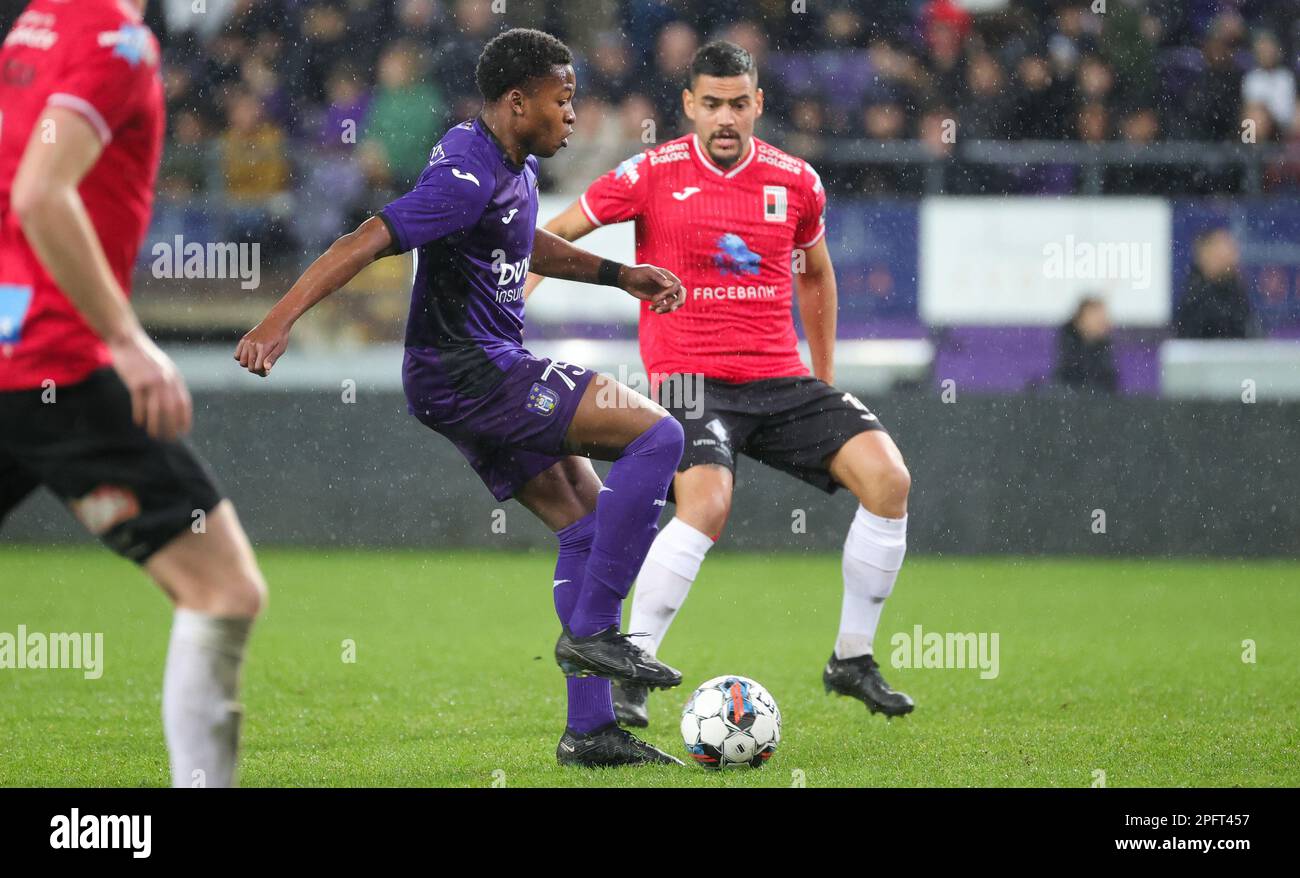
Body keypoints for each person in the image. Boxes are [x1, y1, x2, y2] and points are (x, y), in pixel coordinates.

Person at [235, 28, 691, 767]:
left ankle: (590, 732)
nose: (573, 114)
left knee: (584, 522)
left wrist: (618, 275)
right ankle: (598, 633)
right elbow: (366, 237)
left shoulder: (501, 158)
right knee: (658, 437)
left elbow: (520, 240)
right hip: (471, 372)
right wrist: (276, 321)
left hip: (472, 372)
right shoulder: (465, 176)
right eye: (562, 99)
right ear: (518, 103)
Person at [526, 41, 915, 728]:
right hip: (687, 380)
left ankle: (852, 657)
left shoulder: (796, 180)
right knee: (706, 503)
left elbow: (815, 274)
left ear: (758, 103)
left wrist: (822, 380)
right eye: (712, 104)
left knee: (889, 481)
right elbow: (556, 231)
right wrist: (511, 300)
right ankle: (631, 671)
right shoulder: (651, 171)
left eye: (739, 103)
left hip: (779, 379)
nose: (726, 117)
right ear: (689, 107)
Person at [0, 0, 266, 787]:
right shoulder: (117, 41)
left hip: (9, 348)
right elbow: (40, 195)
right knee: (223, 590)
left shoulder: (35, 24)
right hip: (57, 359)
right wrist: (125, 338)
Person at [1174, 228, 1253, 339]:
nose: (1231, 255)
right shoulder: (1195, 298)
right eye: (1222, 248)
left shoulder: (1237, 293)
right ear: (1205, 254)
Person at [1054, 297, 1119, 393]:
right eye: (1097, 316)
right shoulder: (1068, 343)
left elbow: (1109, 382)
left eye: (1103, 317)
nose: (1103, 322)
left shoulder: (1106, 346)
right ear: (1083, 317)